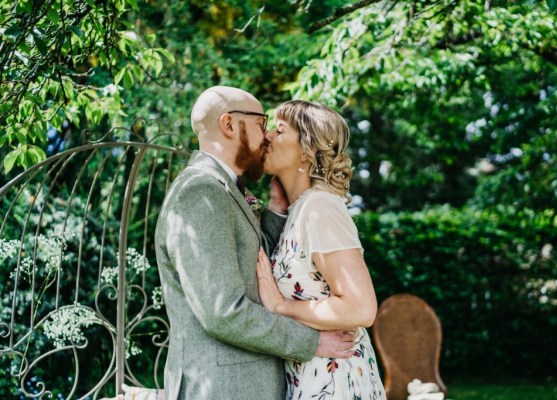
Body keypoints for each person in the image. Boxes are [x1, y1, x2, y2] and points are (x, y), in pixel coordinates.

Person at [153, 87, 356, 400]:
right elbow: (224, 311)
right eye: (262, 125)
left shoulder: (224, 188)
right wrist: (311, 342)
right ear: (229, 125)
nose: (268, 137)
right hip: (225, 387)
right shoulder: (201, 193)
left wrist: (275, 210)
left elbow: (255, 264)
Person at [256, 100, 386, 399]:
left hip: (336, 381)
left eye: (279, 130)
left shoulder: (320, 208)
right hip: (313, 377)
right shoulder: (302, 209)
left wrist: (279, 306)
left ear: (308, 150)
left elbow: (360, 308)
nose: (267, 137)